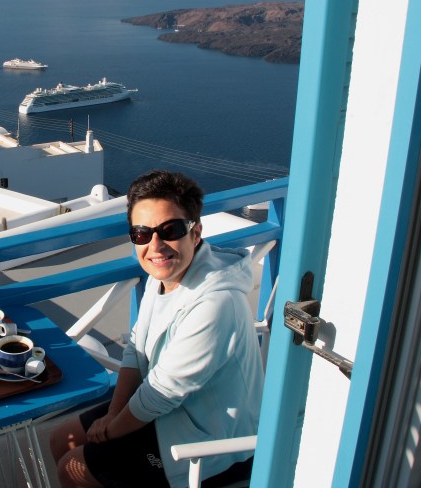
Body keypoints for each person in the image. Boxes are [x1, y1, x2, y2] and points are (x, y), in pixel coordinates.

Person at [49, 170, 264, 488]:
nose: (156, 245)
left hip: (210, 439)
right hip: (170, 412)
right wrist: (114, 413)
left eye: (171, 230)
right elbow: (137, 347)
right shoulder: (165, 274)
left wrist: (110, 429)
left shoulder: (216, 303)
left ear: (196, 232)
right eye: (141, 233)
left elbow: (161, 394)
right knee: (61, 439)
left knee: (74, 468)